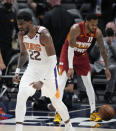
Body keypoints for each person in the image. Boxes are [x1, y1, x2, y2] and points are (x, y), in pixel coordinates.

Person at [13, 11, 73, 131]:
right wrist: (17, 71)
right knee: (21, 95)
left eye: (22, 24)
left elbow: (52, 61)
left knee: (56, 102)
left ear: (30, 22)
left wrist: (42, 81)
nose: (19, 27)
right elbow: (23, 54)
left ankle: (68, 125)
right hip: (32, 69)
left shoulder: (44, 34)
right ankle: (18, 128)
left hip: (49, 71)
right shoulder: (21, 34)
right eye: (18, 24)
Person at [59, 13, 111, 122]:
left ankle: (93, 112)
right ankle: (58, 113)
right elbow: (70, 48)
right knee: (61, 83)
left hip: (82, 55)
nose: (94, 27)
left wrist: (106, 68)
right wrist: (70, 67)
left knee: (88, 83)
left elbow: (103, 51)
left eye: (96, 25)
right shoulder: (76, 29)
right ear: (86, 22)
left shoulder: (97, 32)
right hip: (68, 53)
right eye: (92, 25)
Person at [0, 0, 17, 73]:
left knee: (6, 69)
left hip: (8, 47)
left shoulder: (13, 14)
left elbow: (19, 30)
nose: (9, 1)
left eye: (11, 0)